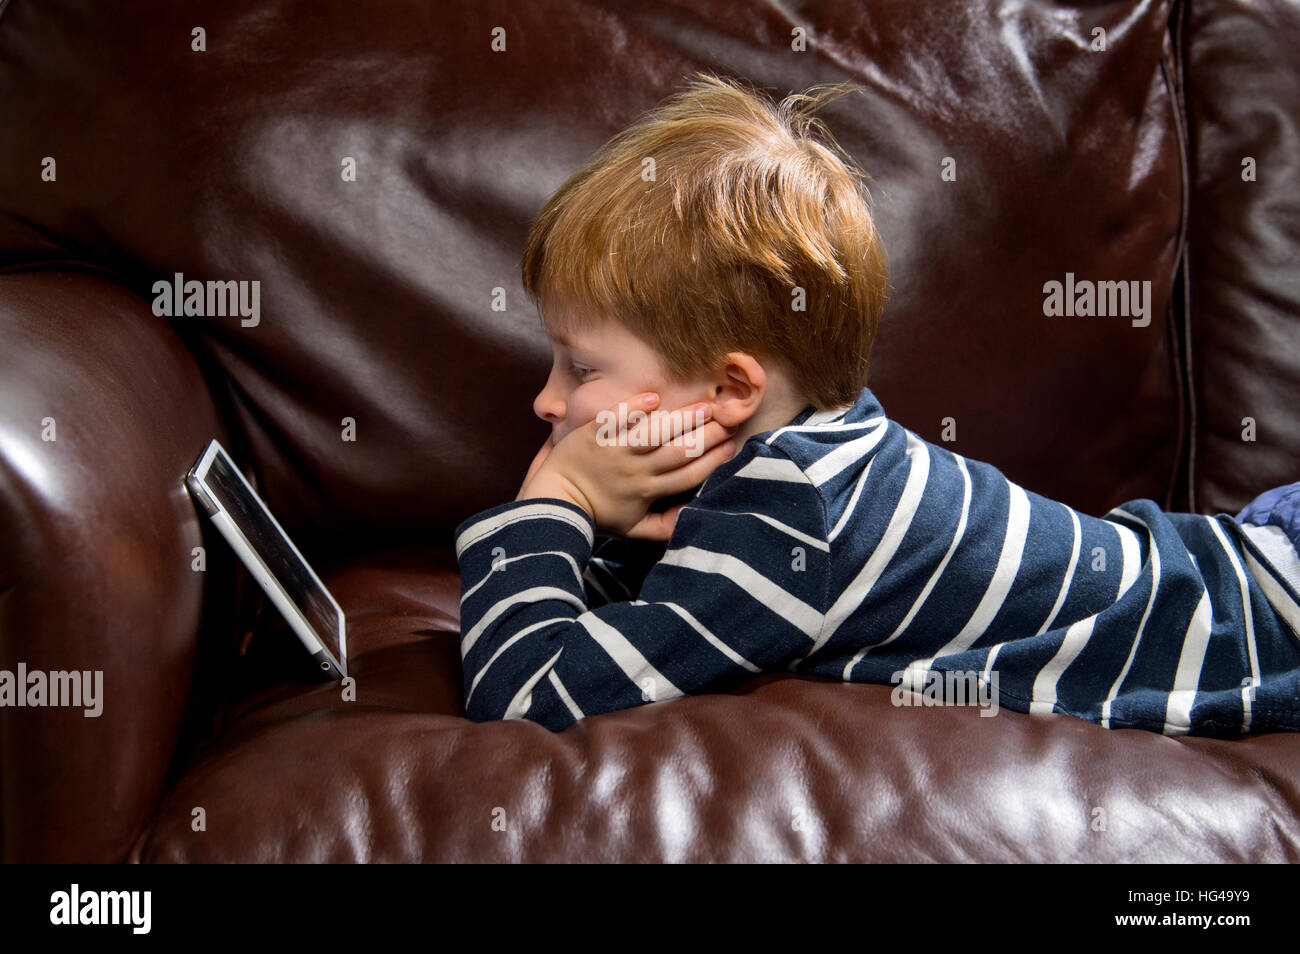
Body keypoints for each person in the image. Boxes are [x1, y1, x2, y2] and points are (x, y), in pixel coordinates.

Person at [454, 72, 1300, 736]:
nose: (546, 399)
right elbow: (665, 615)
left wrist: (555, 503)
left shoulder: (789, 512)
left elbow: (528, 695)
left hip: (1260, 614)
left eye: (579, 366)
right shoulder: (821, 445)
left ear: (732, 389)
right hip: (1234, 555)